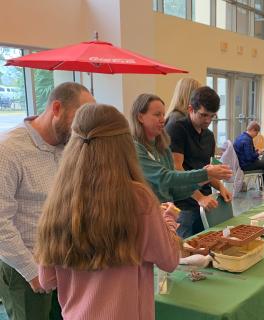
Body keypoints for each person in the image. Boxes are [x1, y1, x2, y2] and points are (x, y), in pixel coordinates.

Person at [36, 103, 180, 320]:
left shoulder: (59, 200)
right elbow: (169, 260)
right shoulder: (138, 198)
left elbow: (47, 281)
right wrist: (167, 218)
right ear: (124, 145)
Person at [0, 82, 94, 320]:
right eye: (80, 118)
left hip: (65, 263)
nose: (84, 128)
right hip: (26, 268)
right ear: (56, 108)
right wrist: (32, 272)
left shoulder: (69, 146)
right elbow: (1, 224)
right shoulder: (9, 150)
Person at [130, 93, 232, 205]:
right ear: (140, 117)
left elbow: (174, 191)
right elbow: (164, 177)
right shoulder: (134, 148)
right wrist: (205, 174)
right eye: (157, 115)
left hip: (166, 215)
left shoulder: (163, 147)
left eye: (163, 115)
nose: (162, 119)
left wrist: (205, 179)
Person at [166, 86, 232, 238]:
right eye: (203, 115)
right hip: (183, 204)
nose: (208, 120)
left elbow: (208, 171)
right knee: (185, 252)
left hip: (205, 203)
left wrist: (220, 187)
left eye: (212, 116)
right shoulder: (177, 129)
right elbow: (177, 171)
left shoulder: (208, 136)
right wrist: (199, 197)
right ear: (191, 109)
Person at [233, 121, 264, 192]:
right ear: (253, 130)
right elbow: (249, 158)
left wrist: (256, 151)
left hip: (241, 163)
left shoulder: (240, 136)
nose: (256, 135)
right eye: (256, 132)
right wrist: (259, 153)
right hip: (246, 165)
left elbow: (246, 153)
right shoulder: (247, 140)